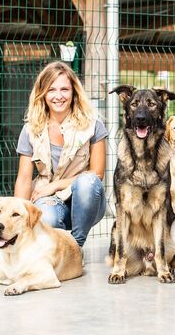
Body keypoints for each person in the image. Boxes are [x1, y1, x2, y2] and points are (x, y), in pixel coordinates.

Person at [14, 61, 107, 248]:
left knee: (88, 182)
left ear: (73, 92)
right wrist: (16, 219)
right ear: (43, 94)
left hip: (86, 202)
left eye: (64, 89)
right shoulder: (30, 129)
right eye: (51, 90)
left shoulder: (93, 125)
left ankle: (75, 247)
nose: (58, 96)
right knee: (47, 217)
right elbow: (24, 179)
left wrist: (56, 185)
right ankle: (57, 245)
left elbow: (97, 174)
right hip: (48, 201)